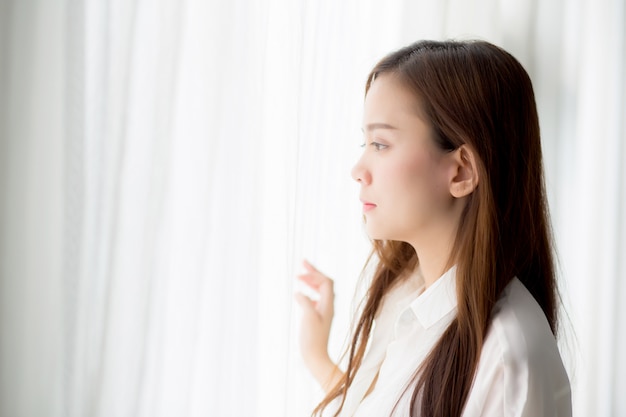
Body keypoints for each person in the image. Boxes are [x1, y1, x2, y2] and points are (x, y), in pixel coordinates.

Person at [295, 40, 572, 417]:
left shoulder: (506, 357)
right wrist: (316, 356)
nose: (358, 169)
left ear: (461, 171)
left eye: (380, 144)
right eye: (365, 141)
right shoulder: (408, 297)